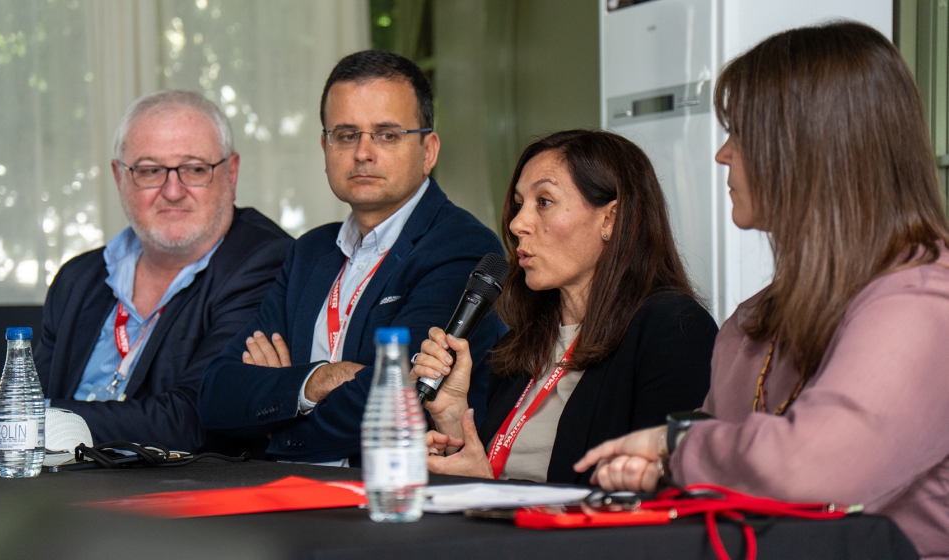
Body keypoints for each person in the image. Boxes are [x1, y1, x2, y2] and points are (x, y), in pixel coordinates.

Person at [574, 22, 949, 559]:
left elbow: (813, 465)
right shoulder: (754, 320)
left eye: (741, 132)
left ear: (813, 145)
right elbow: (723, 463)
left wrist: (672, 445)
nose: (722, 154)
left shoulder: (924, 302)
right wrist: (660, 469)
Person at [197, 50, 504, 464]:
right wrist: (319, 379)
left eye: (387, 134)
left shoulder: (459, 247)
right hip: (290, 499)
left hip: (394, 501)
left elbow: (398, 400)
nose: (363, 152)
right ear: (325, 147)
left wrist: (276, 424)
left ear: (428, 150)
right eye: (345, 135)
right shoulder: (309, 253)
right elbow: (216, 392)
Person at [413, 129, 717, 484]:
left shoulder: (673, 328)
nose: (516, 224)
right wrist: (451, 417)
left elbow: (656, 502)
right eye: (518, 203)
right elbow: (490, 476)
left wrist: (492, 491)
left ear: (610, 219)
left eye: (544, 201)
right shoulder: (520, 345)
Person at [35, 90, 293, 451]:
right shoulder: (77, 278)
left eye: (195, 169)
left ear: (231, 174)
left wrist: (27, 415)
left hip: (169, 498)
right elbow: (36, 395)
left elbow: (194, 419)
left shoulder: (267, 264)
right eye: (150, 171)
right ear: (119, 177)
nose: (173, 191)